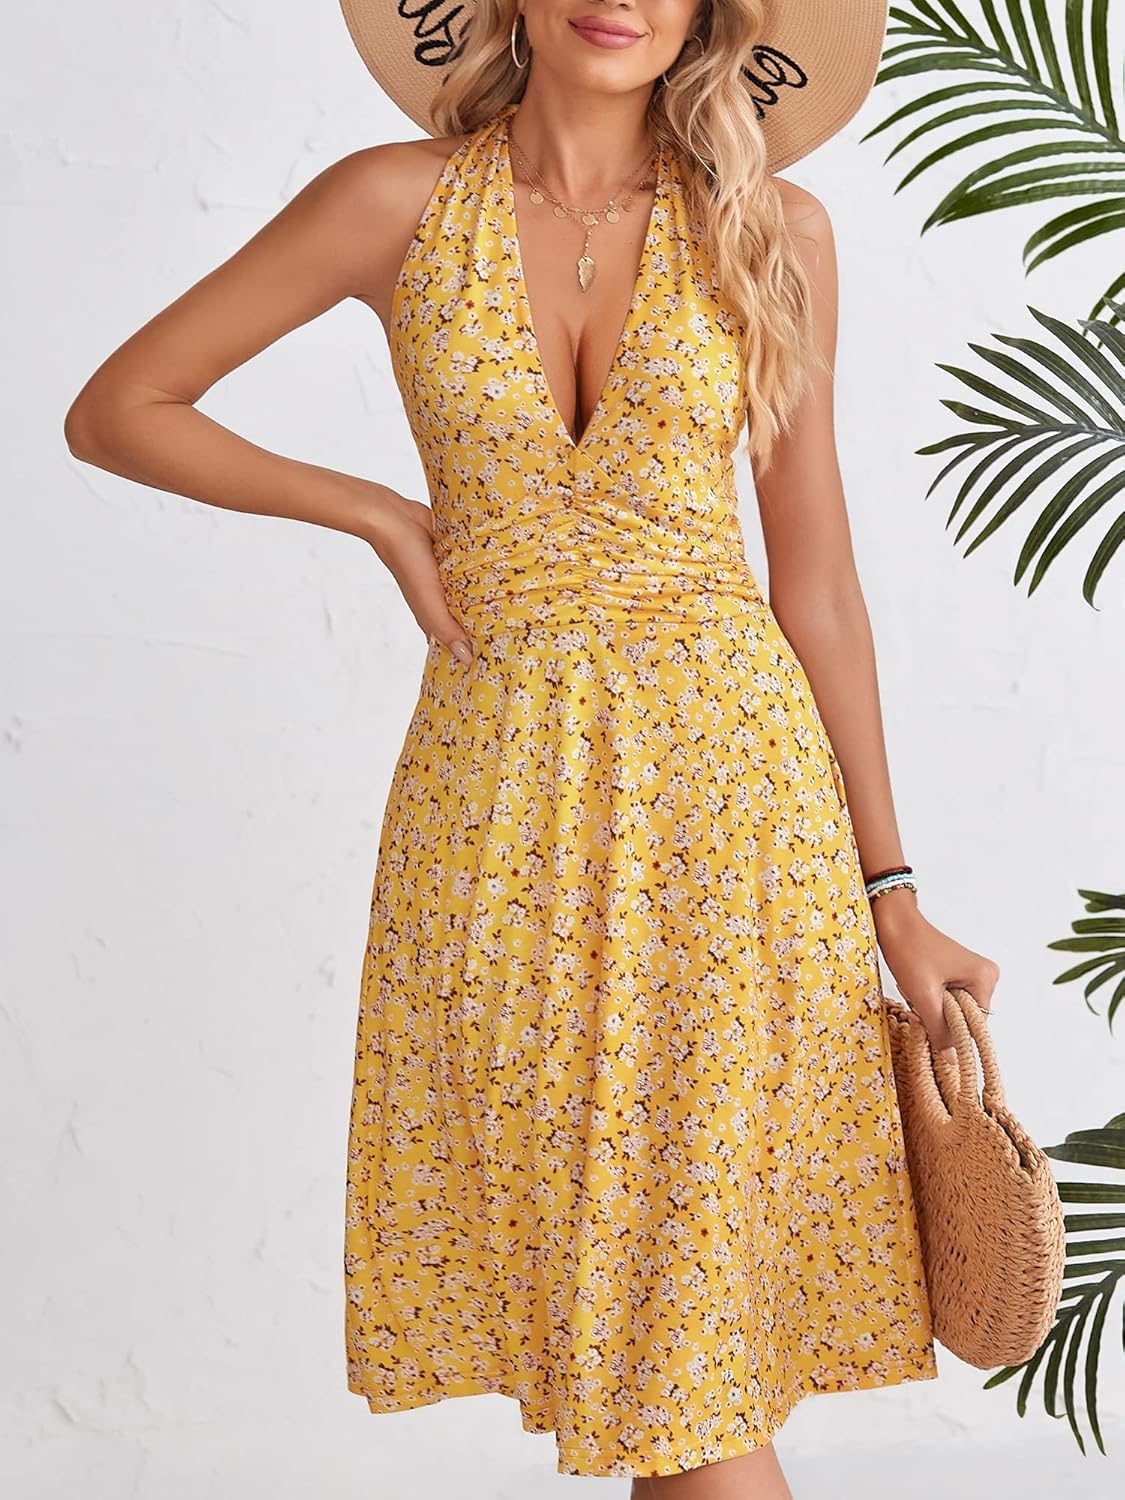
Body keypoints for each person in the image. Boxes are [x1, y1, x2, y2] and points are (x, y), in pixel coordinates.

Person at [65, 0, 1002, 1492]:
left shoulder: (776, 229)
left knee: (681, 1361)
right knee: (639, 1346)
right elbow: (120, 409)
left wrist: (893, 894)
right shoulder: (389, 204)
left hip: (733, 825)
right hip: (495, 827)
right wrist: (378, 513)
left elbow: (815, 582)